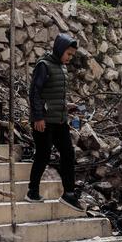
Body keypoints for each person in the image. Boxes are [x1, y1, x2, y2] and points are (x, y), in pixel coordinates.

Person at [25, 33, 84, 212]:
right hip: (44, 121)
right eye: (68, 54)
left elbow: (54, 94)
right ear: (59, 50)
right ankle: (32, 191)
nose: (69, 58)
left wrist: (68, 105)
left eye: (72, 55)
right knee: (43, 155)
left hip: (60, 120)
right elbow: (35, 93)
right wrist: (38, 117)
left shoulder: (62, 68)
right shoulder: (44, 66)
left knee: (68, 153)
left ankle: (69, 194)